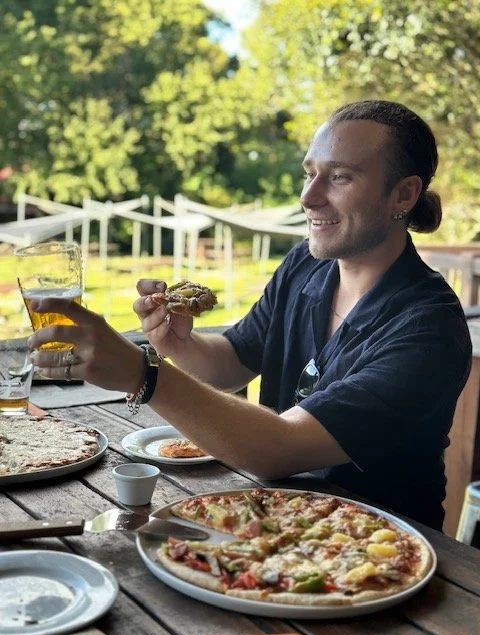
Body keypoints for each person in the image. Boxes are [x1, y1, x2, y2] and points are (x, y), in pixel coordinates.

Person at [27, 100, 472, 531]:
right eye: (310, 174)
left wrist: (142, 373)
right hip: (274, 523)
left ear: (404, 193)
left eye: (339, 177)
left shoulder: (428, 329)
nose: (308, 197)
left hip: (379, 552)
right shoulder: (306, 265)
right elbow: (232, 361)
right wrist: (176, 345)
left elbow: (279, 448)